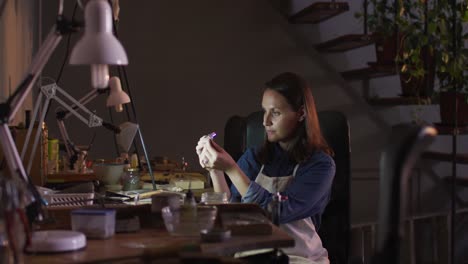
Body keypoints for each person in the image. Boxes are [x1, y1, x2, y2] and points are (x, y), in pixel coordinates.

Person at [196, 72, 335, 264]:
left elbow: (278, 212)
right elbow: (229, 212)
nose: (265, 121)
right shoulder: (254, 157)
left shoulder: (320, 165)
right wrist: (215, 168)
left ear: (301, 114)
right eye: (264, 111)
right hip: (253, 255)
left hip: (299, 258)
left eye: (275, 113)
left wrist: (232, 169)